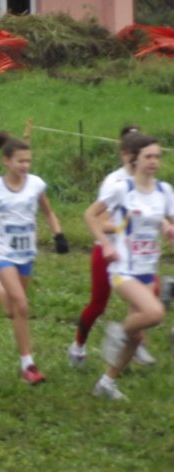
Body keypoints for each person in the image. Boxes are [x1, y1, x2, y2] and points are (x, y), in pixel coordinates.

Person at [84, 134, 174, 400]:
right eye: (148, 156)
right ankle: (118, 330)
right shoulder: (122, 189)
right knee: (154, 313)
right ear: (135, 159)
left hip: (147, 269)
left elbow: (167, 220)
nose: (153, 161)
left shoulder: (164, 191)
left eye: (157, 156)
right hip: (123, 269)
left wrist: (168, 229)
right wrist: (105, 244)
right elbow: (90, 215)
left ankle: (106, 382)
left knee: (136, 337)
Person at [0, 131, 68, 385]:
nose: (25, 166)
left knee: (13, 310)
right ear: (6, 160)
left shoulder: (36, 184)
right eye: (20, 161)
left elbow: (48, 211)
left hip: (26, 253)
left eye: (28, 161)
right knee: (22, 305)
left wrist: (58, 234)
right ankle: (27, 365)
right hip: (1, 252)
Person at [67, 125, 158, 367]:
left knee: (147, 298)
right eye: (135, 152)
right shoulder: (114, 182)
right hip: (108, 252)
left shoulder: (151, 183)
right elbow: (99, 220)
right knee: (98, 304)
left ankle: (135, 342)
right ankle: (78, 346)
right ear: (125, 154)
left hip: (135, 255)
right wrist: (126, 226)